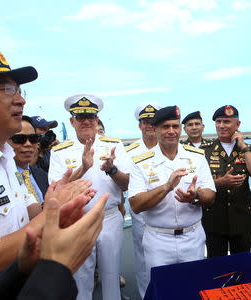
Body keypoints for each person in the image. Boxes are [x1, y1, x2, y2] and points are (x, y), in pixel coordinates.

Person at [0, 50, 95, 278]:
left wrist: (53, 203)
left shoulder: (3, 156)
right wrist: (52, 214)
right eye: (6, 89)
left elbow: (27, 214)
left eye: (19, 90)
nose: (21, 99)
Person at [48, 93, 131, 300]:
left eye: (91, 117)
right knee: (80, 280)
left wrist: (112, 170)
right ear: (71, 121)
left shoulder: (114, 145)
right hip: (78, 220)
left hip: (109, 218)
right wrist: (83, 168)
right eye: (80, 117)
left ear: (97, 120)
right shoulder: (59, 151)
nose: (86, 121)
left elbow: (127, 183)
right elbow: (57, 193)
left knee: (111, 277)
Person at [0, 190, 107, 300]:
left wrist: (21, 268)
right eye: (19, 143)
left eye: (34, 143)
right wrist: (56, 268)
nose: (28, 145)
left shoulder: (8, 160)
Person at [128, 105, 216, 290]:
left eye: (175, 126)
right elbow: (135, 204)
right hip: (158, 241)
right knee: (163, 291)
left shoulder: (197, 157)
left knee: (194, 289)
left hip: (192, 238)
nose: (171, 131)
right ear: (155, 129)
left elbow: (211, 195)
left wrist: (196, 196)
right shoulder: (140, 162)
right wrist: (167, 187)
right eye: (165, 127)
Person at [202, 105, 251, 257]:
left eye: (226, 122)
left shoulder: (248, 149)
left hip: (243, 217)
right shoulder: (205, 151)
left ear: (237, 125)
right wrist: (221, 182)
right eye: (218, 121)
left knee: (242, 263)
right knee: (216, 265)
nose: (221, 126)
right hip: (213, 218)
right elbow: (198, 185)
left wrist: (243, 147)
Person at [125, 102, 161, 299]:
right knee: (142, 259)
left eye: (152, 121)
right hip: (141, 214)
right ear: (139, 125)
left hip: (165, 210)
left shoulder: (169, 147)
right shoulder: (129, 152)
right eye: (145, 121)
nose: (149, 125)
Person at [8, 115, 49, 203]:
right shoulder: (1, 177)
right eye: (19, 139)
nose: (28, 144)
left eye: (33, 139)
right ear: (5, 141)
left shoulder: (42, 175)